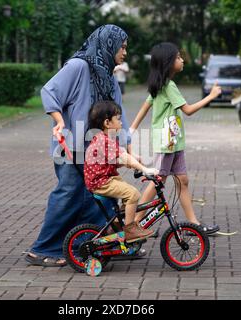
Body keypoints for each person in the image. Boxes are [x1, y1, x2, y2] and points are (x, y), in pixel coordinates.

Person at [24, 25, 144, 267]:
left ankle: (98, 245)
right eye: (122, 47)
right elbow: (50, 91)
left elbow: (118, 115)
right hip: (72, 148)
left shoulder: (109, 76)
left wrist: (129, 147)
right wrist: (59, 121)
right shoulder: (79, 66)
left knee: (99, 198)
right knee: (69, 195)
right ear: (108, 45)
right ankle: (43, 249)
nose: (125, 52)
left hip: (98, 151)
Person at [130, 42, 222, 235]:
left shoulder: (161, 84)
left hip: (174, 142)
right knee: (158, 180)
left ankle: (193, 224)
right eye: (178, 57)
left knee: (182, 180)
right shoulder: (168, 86)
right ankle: (133, 225)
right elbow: (188, 110)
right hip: (166, 143)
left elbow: (145, 105)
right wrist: (211, 96)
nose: (182, 60)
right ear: (169, 62)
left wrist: (132, 127)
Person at [84, 101, 158, 242]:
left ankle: (116, 226)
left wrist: (129, 164)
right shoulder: (105, 141)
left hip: (105, 178)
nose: (121, 122)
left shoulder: (105, 139)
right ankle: (129, 230)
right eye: (118, 119)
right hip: (101, 182)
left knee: (128, 195)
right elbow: (125, 157)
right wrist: (145, 169)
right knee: (133, 194)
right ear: (107, 122)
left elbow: (115, 160)